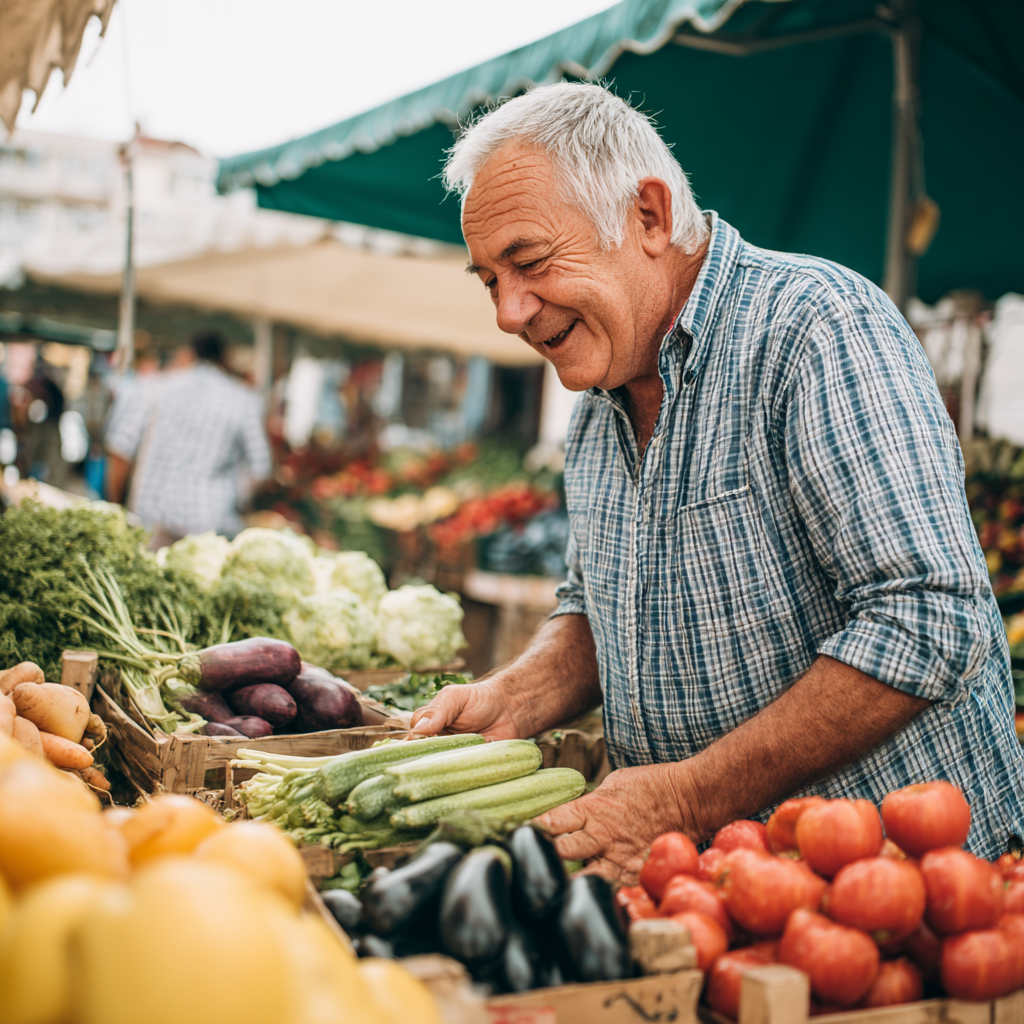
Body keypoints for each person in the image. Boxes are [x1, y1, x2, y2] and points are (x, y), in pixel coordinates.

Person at [410, 82, 1024, 879]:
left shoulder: (816, 328)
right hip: (715, 893)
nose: (508, 312)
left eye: (527, 262)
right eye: (489, 279)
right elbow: (599, 606)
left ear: (650, 218)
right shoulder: (598, 404)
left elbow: (927, 618)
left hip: (913, 896)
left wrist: (686, 798)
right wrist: (515, 696)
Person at [106, 330, 271, 545]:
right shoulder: (244, 400)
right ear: (224, 359)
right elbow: (260, 468)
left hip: (150, 520)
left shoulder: (154, 389)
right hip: (209, 529)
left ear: (188, 353)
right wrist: (235, 494)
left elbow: (120, 450)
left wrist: (116, 507)